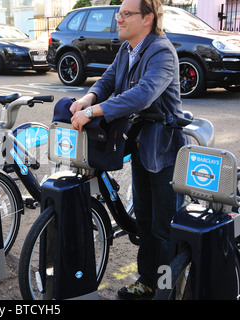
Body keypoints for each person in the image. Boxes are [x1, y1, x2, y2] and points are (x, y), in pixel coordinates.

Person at [68, 0, 187, 299]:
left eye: (125, 14)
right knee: (145, 222)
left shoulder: (161, 51)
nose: (118, 19)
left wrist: (93, 113)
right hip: (139, 143)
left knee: (163, 227)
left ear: (147, 19)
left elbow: (142, 95)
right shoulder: (128, 49)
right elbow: (108, 80)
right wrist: (87, 98)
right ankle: (148, 281)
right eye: (118, 14)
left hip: (163, 151)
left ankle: (167, 290)